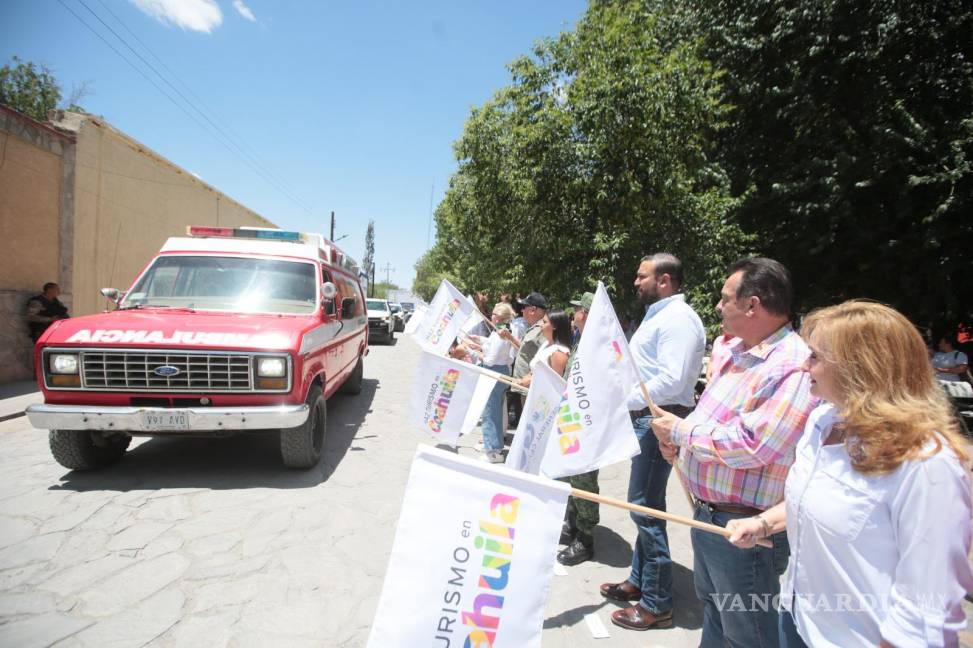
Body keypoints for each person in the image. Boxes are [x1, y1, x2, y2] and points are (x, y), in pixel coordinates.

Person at [726, 300, 973, 647]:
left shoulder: (926, 464)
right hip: (798, 620)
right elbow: (813, 497)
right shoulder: (822, 421)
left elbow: (927, 613)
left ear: (860, 369)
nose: (802, 365)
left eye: (815, 356)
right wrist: (764, 522)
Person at [650, 257, 817, 647]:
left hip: (747, 531)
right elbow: (715, 420)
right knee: (717, 614)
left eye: (725, 299)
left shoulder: (790, 365)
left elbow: (755, 444)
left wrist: (681, 431)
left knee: (748, 634)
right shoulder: (742, 353)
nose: (717, 307)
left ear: (752, 305)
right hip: (713, 518)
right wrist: (678, 441)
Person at [600, 253, 706, 632]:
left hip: (658, 419)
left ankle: (657, 604)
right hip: (645, 418)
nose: (635, 281)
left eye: (641, 275)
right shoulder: (659, 316)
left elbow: (673, 381)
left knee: (646, 510)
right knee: (642, 505)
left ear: (664, 280)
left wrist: (619, 399)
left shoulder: (679, 320)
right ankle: (640, 581)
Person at [558, 292, 601, 566]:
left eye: (577, 309)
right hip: (570, 419)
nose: (573, 313)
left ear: (584, 313)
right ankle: (573, 523)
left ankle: (586, 538)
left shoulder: (596, 346)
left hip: (585, 423)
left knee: (584, 479)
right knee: (570, 476)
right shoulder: (581, 340)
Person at [476, 303, 517, 463]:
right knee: (496, 412)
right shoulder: (504, 331)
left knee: (490, 414)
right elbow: (507, 355)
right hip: (501, 372)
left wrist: (476, 353)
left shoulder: (501, 333)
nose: (491, 316)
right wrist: (479, 340)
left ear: (498, 317)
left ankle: (493, 451)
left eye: (493, 313)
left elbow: (490, 359)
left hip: (494, 373)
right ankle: (494, 446)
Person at [502, 292, 548, 390]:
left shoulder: (543, 329)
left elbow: (546, 360)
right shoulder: (534, 327)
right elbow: (523, 349)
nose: (522, 310)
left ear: (533, 310)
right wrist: (509, 337)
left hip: (528, 388)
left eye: (524, 307)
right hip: (521, 385)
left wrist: (532, 377)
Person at [518, 310, 571, 387]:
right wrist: (527, 377)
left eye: (544, 322)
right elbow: (535, 371)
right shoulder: (546, 343)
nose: (540, 325)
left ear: (554, 326)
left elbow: (555, 384)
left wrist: (531, 380)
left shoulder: (560, 352)